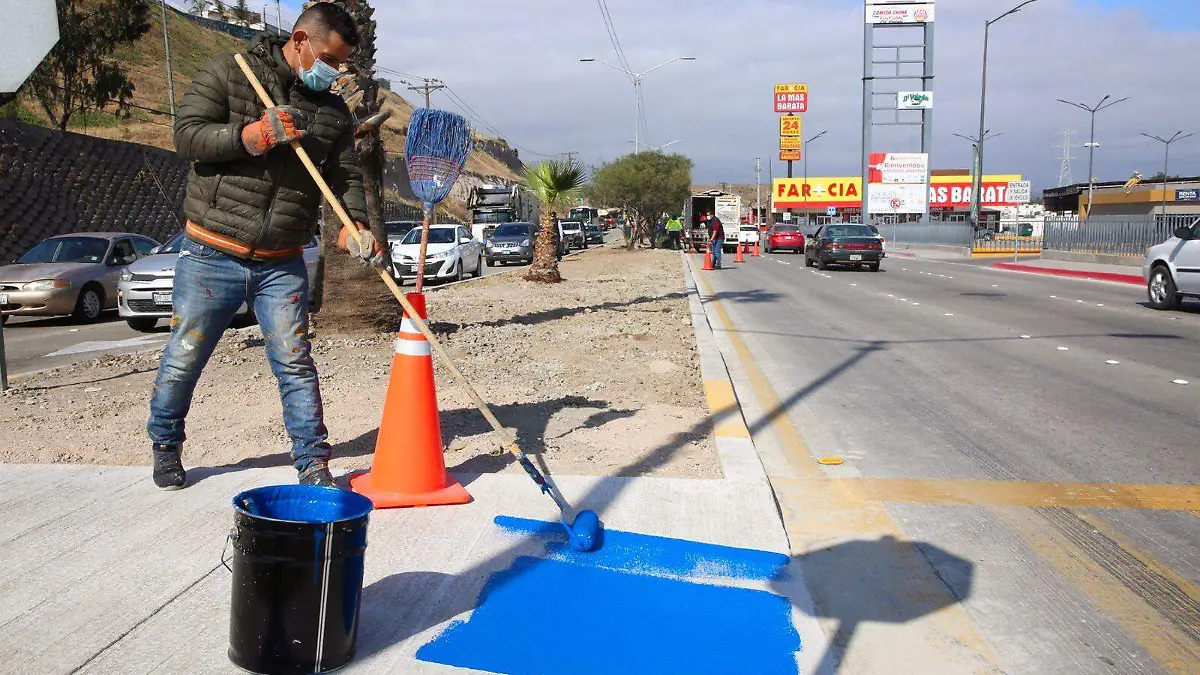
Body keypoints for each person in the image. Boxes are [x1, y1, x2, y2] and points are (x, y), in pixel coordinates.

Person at [147, 3, 384, 490]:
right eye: (329, 58)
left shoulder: (333, 112)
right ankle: (165, 442)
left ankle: (313, 463)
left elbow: (344, 178)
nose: (335, 72)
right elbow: (187, 138)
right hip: (211, 252)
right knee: (186, 354)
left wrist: (352, 222)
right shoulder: (229, 74)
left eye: (342, 64)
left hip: (282, 260)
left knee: (295, 362)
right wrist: (250, 135)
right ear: (300, 41)